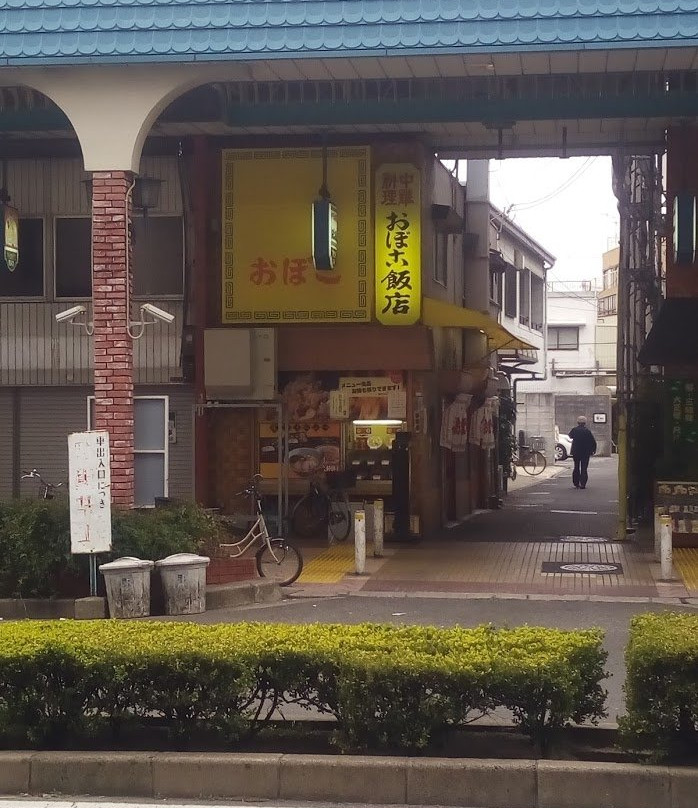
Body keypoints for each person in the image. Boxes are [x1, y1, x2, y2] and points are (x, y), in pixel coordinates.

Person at [568, 415, 597, 489]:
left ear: (578, 422)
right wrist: (593, 450)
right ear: (585, 423)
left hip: (576, 451)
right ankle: (583, 484)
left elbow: (570, 436)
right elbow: (593, 441)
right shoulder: (587, 431)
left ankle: (576, 483)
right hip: (585, 452)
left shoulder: (574, 430)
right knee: (584, 468)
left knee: (576, 466)